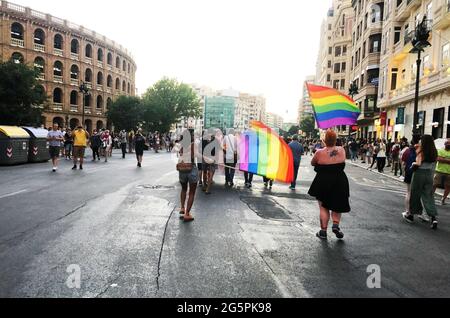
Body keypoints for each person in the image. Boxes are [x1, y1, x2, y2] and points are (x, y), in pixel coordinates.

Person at [308, 129, 350, 240]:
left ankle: (323, 231)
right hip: (340, 181)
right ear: (336, 140)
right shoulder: (341, 150)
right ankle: (335, 224)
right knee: (337, 205)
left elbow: (313, 163)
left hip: (323, 182)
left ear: (324, 140)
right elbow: (342, 160)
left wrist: (321, 148)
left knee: (323, 207)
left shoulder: (319, 152)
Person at [403, 135, 438, 230]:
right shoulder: (434, 152)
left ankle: (411, 215)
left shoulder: (421, 151)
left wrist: (413, 164)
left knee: (415, 194)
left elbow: (417, 163)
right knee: (428, 196)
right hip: (429, 175)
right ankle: (433, 218)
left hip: (419, 174)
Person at [176, 129, 199, 222]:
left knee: (184, 189)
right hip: (191, 169)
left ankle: (182, 207)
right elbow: (196, 155)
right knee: (192, 192)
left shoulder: (180, 145)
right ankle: (187, 214)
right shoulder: (193, 144)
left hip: (182, 169)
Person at [433, 138, 450, 205]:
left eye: (449, 143)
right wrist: (448, 160)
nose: (448, 144)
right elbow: (438, 159)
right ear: (445, 144)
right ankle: (431, 197)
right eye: (447, 143)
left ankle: (443, 199)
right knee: (434, 184)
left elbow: (441, 159)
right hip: (439, 171)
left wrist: (444, 159)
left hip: (449, 172)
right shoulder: (441, 150)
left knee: (448, 186)